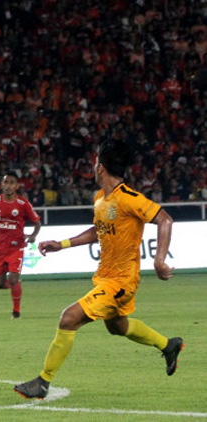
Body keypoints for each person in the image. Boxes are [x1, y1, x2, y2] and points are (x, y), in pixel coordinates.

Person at [14, 140, 183, 399]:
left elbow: (165, 219)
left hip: (121, 282)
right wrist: (62, 244)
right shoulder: (100, 199)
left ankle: (43, 382)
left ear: (100, 167)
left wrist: (159, 260)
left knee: (69, 318)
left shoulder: (129, 198)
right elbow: (98, 231)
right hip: (105, 278)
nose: (93, 167)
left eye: (95, 163)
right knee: (118, 327)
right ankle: (168, 345)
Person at [0, 171, 41, 319]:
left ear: (17, 186)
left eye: (12, 183)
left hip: (16, 248)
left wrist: (33, 235)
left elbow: (37, 223)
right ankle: (16, 286)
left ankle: (16, 312)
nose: (8, 186)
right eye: (5, 182)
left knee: (13, 278)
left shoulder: (23, 204)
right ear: (1, 185)